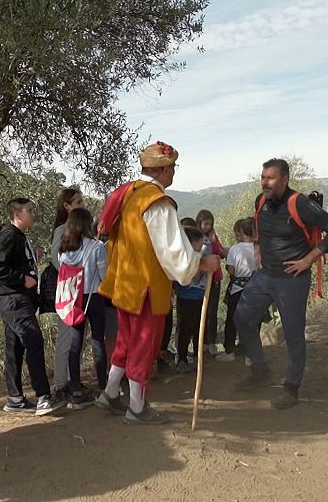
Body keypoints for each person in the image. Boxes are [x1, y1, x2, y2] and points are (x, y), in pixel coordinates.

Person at [94, 141, 220, 425]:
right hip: (146, 289)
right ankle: (137, 407)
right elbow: (172, 250)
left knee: (126, 342)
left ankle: (111, 393)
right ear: (164, 170)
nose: (173, 172)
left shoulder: (127, 194)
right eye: (172, 167)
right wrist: (200, 263)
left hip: (125, 284)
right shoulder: (156, 202)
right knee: (143, 345)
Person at [234, 158, 328, 410]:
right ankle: (260, 371)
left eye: (270, 178)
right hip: (264, 276)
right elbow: (257, 226)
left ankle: (291, 387)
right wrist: (257, 250)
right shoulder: (261, 200)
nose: (265, 182)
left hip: (292, 280)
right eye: (263, 177)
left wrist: (308, 260)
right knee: (242, 319)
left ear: (284, 179)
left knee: (293, 334)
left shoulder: (301, 204)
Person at [0, 198, 65, 416]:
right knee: (33, 339)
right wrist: (23, 279)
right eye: (29, 211)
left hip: (14, 297)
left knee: (15, 346)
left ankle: (15, 399)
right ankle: (43, 398)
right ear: (17, 215)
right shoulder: (9, 235)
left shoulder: (18, 236)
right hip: (12, 298)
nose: (33, 214)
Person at [56, 208, 109, 409]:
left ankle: (76, 390)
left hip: (73, 299)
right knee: (98, 341)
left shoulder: (64, 249)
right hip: (93, 298)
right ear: (87, 224)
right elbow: (104, 276)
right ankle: (104, 388)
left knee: (75, 343)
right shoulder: (97, 247)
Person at [49, 188, 86, 400]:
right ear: (67, 206)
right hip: (68, 292)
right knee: (65, 340)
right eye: (78, 202)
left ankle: (74, 381)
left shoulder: (83, 230)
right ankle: (60, 384)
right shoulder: (62, 230)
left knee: (79, 339)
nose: (82, 205)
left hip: (82, 292)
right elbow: (56, 258)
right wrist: (76, 271)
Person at [217, 218, 256, 363]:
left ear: (241, 232)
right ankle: (250, 355)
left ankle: (229, 352)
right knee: (253, 321)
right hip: (255, 289)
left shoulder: (234, 249)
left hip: (237, 289)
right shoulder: (259, 248)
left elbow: (232, 271)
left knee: (232, 320)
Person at [174, 226, 208, 373]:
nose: (202, 245)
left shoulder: (202, 256)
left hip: (200, 298)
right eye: (200, 242)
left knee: (198, 329)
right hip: (185, 298)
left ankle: (197, 357)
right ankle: (181, 358)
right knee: (185, 328)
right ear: (193, 243)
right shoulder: (183, 258)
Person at [195, 209, 228, 357]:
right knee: (199, 312)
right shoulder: (195, 238)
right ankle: (200, 344)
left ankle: (211, 342)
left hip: (213, 279)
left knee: (212, 312)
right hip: (198, 280)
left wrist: (214, 242)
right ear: (199, 223)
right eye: (205, 223)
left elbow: (220, 253)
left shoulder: (213, 237)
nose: (207, 226)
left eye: (210, 224)